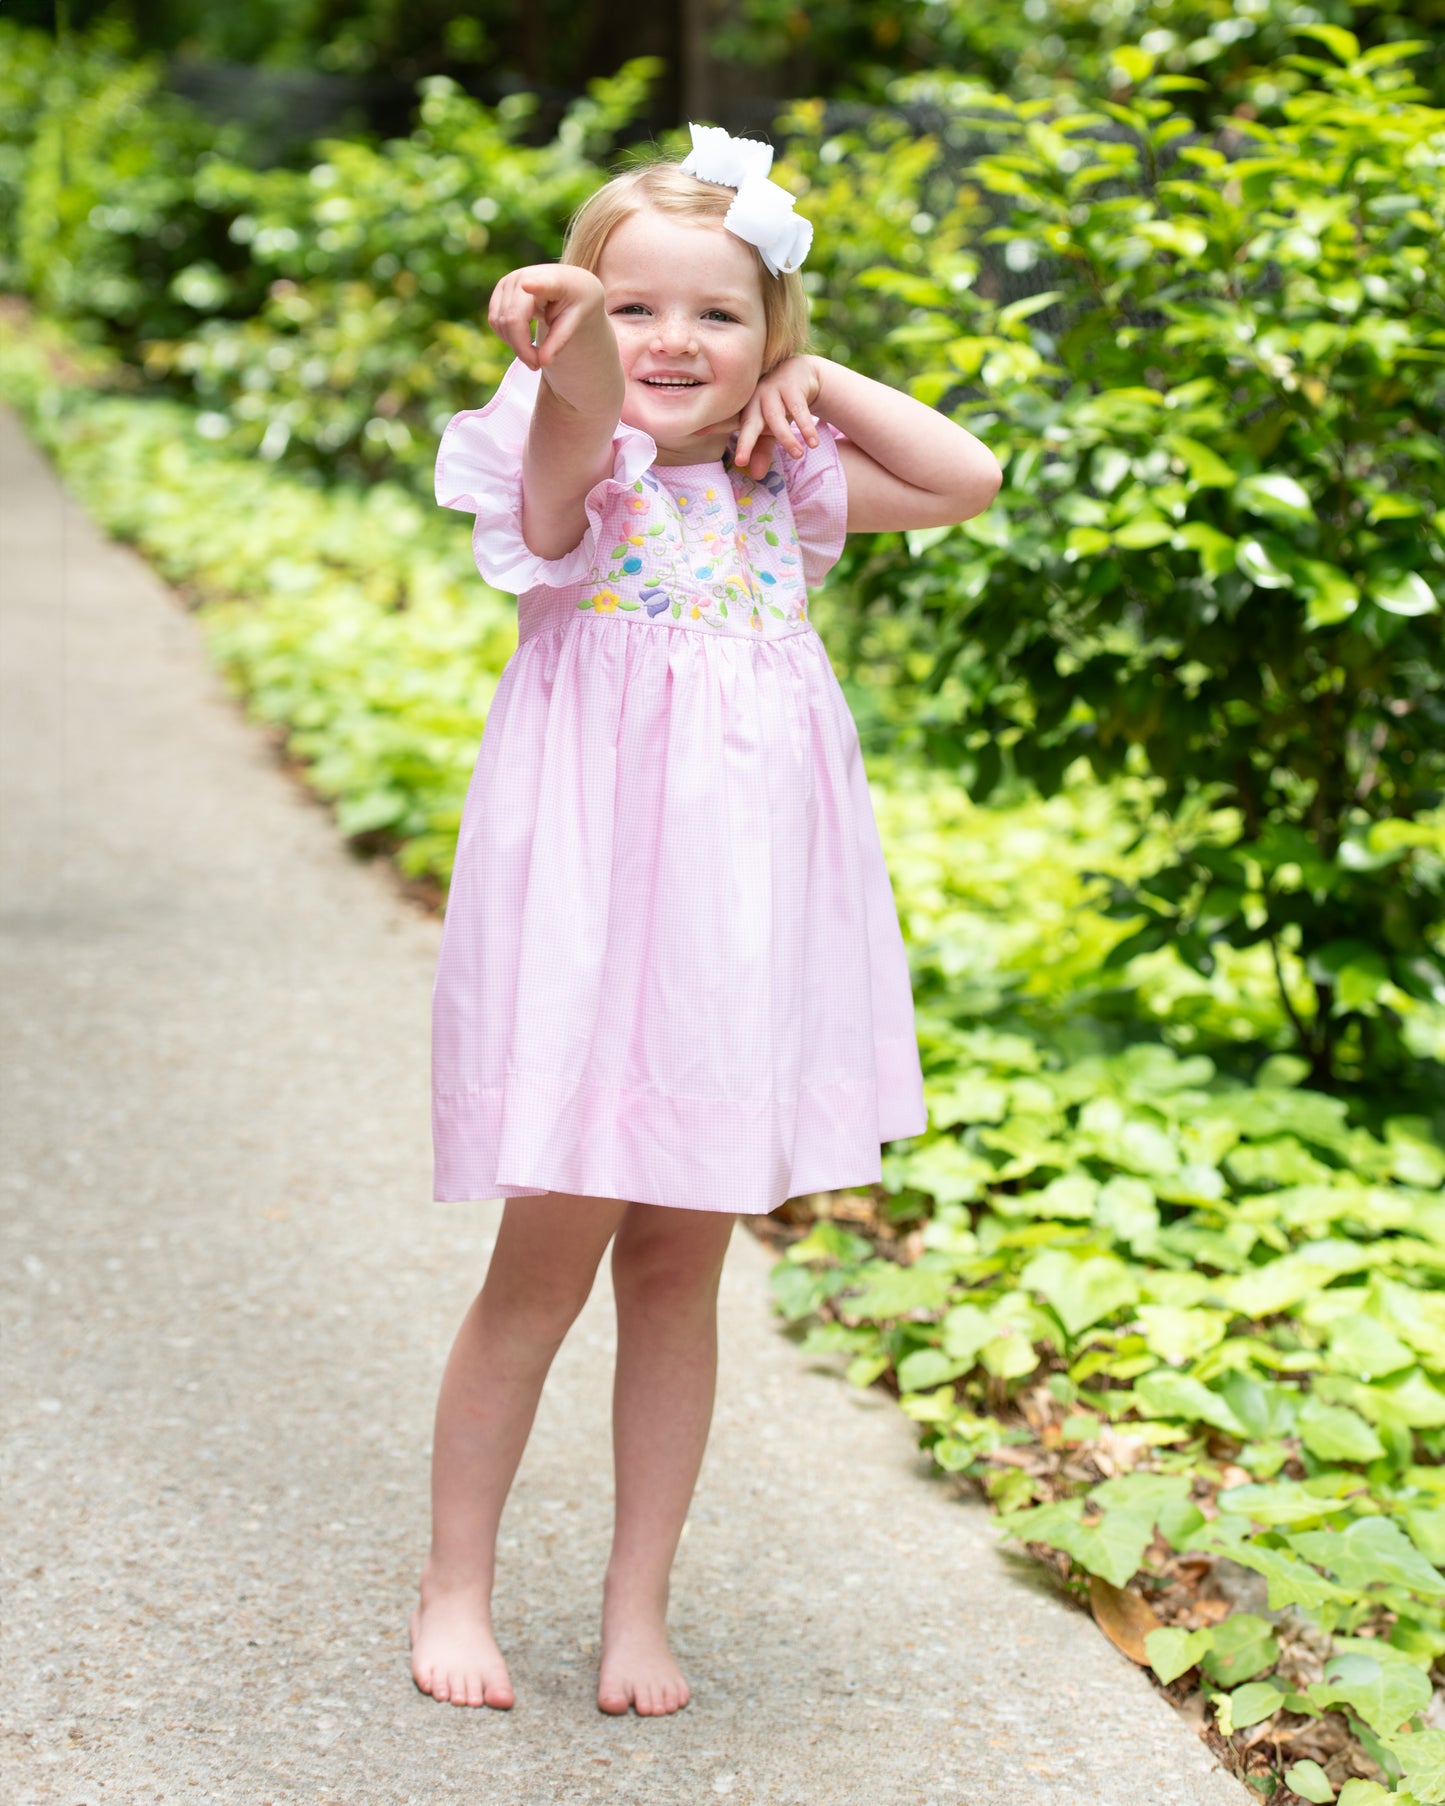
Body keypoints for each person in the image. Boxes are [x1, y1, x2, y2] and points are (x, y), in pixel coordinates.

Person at [412, 124, 1002, 1718]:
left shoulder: (782, 481)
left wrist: (823, 379)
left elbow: (967, 478)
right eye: (631, 305)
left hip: (732, 953)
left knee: (682, 1269)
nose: (669, 340)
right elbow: (581, 417)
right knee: (542, 1271)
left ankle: (634, 1603)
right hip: (594, 945)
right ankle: (456, 1582)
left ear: (772, 339)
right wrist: (564, 346)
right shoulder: (568, 464)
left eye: (717, 315)